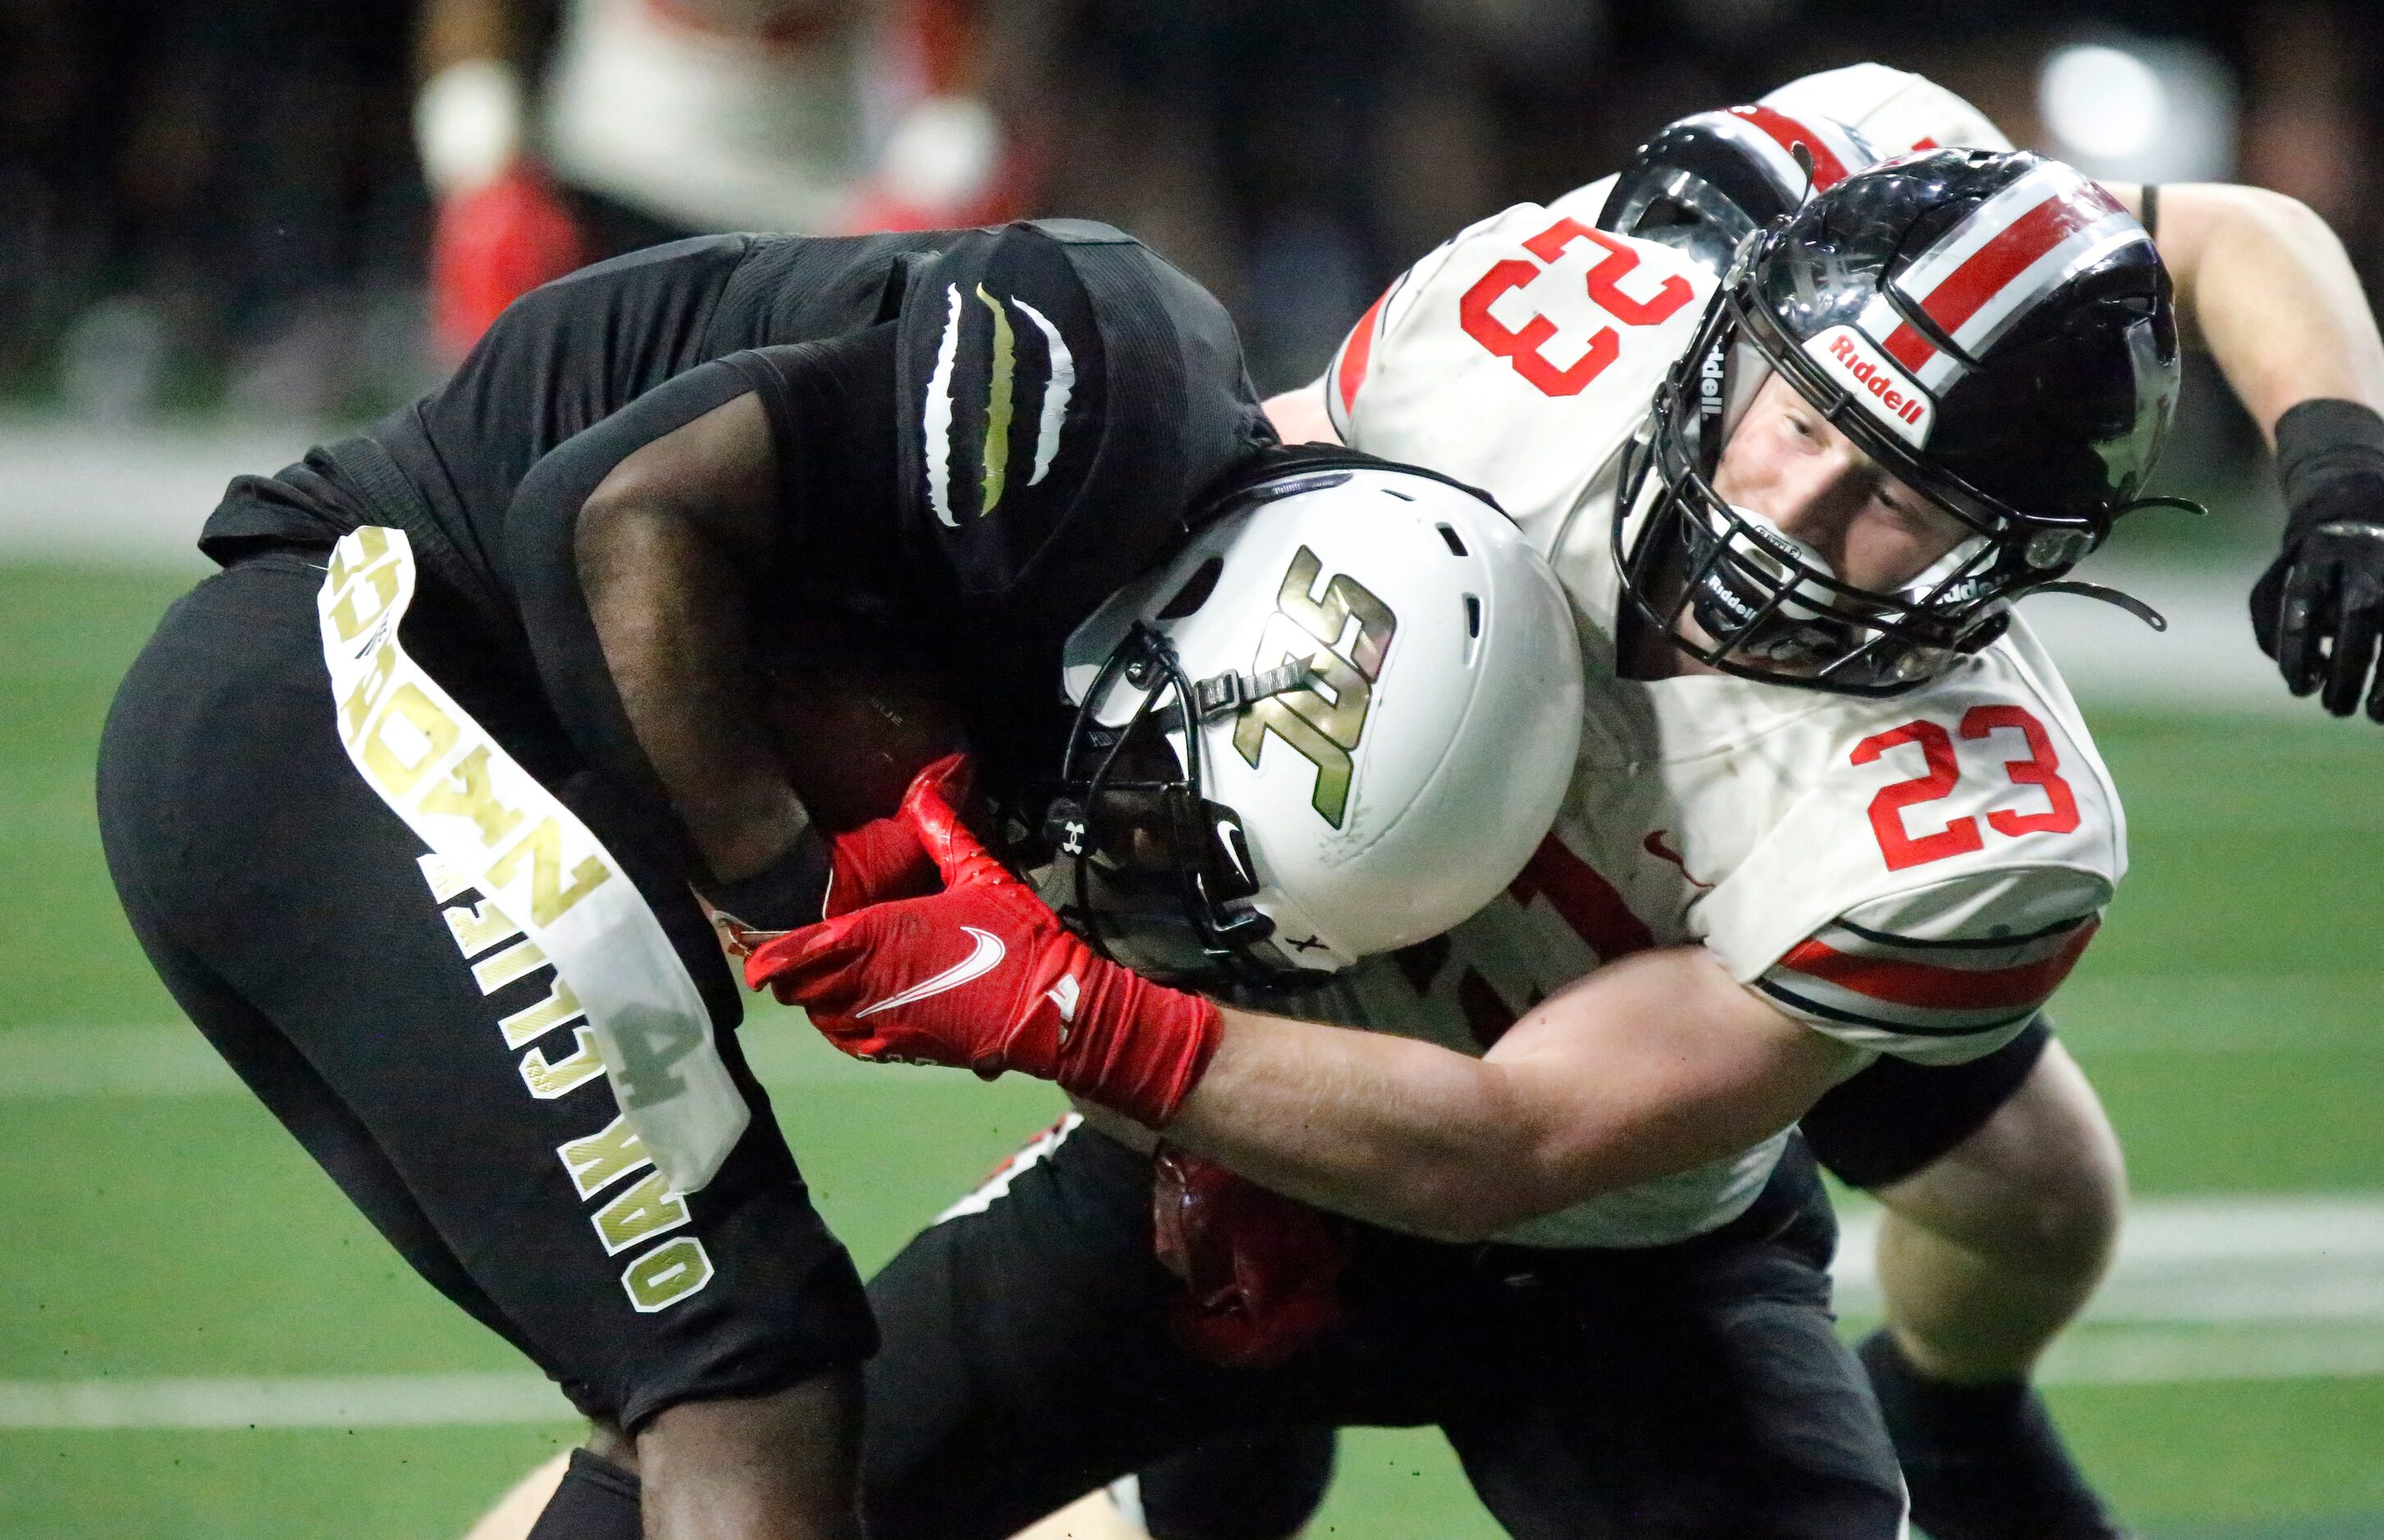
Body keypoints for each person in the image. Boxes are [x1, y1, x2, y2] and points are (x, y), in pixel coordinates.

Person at [750, 146, 2177, 1540]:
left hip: (1606, 1275)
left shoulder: (1981, 830)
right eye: (1800, 421)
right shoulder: (1541, 339)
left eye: (1899, 502)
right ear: (1734, 335)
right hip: (1215, 1149)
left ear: (2013, 557)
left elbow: (1517, 1141)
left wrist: (1074, 1012)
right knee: (701, 1493)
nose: (1790, 513)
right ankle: (1194, 1477)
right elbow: (1207, 557)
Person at [96, 217, 1577, 1540]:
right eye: (1177, 821)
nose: (1149, 856)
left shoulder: (1154, 604)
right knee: (754, 1379)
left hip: (368, 747)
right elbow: (609, 517)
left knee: (697, 1373)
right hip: (347, 678)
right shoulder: (1095, 394)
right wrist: (789, 896)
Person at [1118, 64, 2384, 1540]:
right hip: (1434, 736)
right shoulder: (1532, 348)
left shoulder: (1927, 232)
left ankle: (1951, 1422)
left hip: (1761, 779)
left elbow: (2222, 236)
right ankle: (1206, 1455)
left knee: (2045, 1197)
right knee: (1234, 1249)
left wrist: (2344, 467)